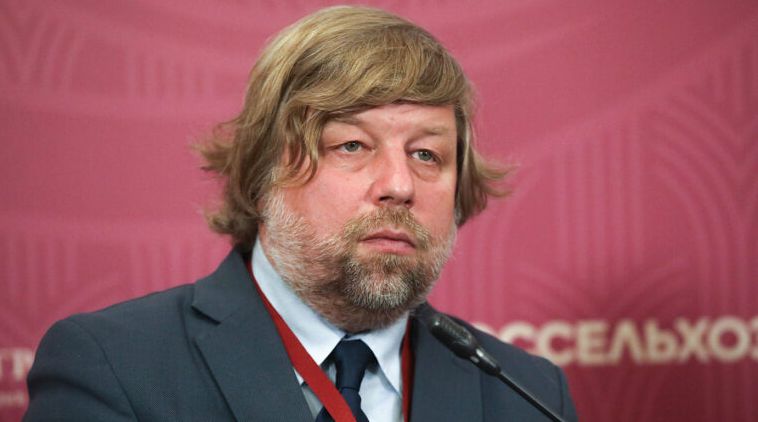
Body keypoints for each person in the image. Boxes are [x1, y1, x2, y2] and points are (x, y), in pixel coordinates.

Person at [24, 6, 577, 421]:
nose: (399, 185)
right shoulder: (115, 365)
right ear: (264, 170)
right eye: (352, 145)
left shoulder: (527, 394)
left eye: (427, 154)